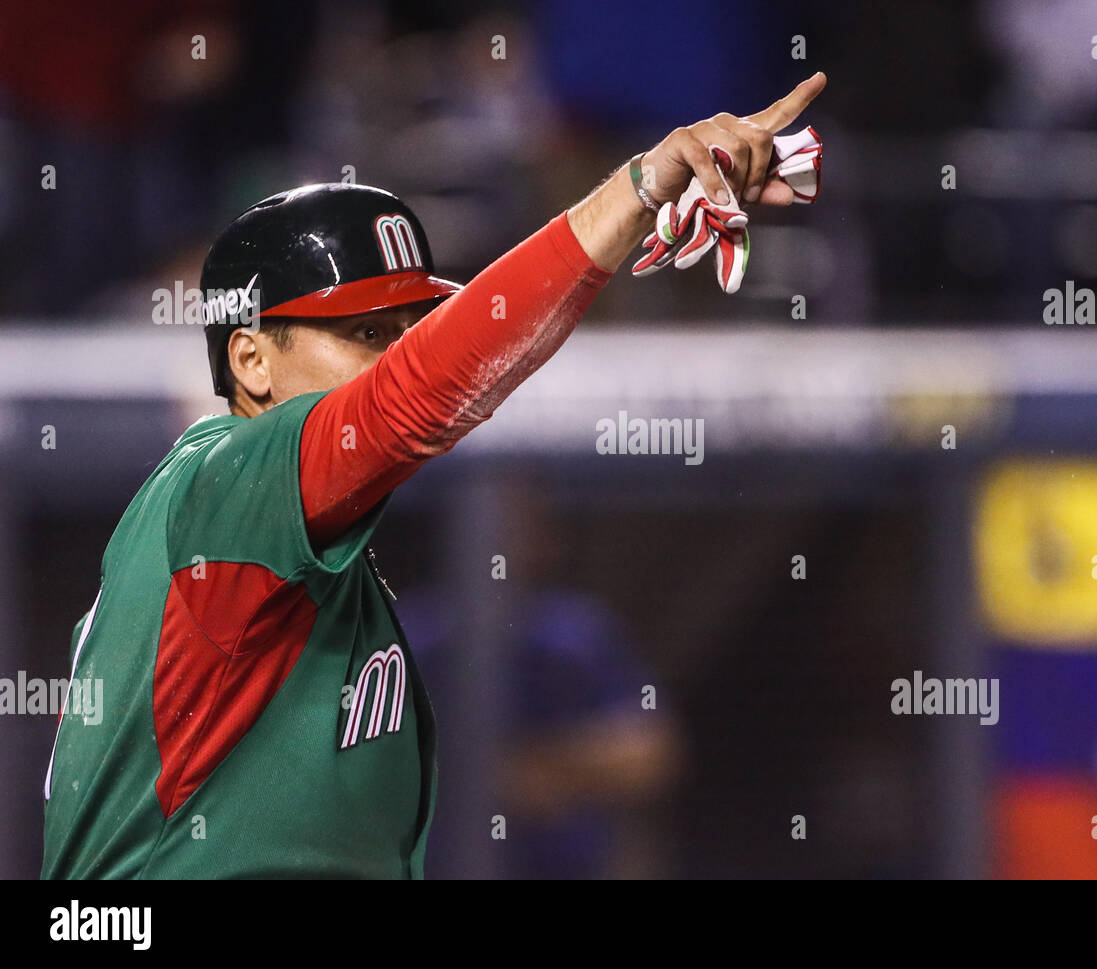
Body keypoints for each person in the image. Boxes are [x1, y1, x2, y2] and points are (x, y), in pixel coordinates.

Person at [40, 72, 827, 878]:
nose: (397, 353)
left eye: (411, 328)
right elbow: (420, 393)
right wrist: (633, 194)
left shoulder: (310, 560)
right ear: (250, 358)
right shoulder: (225, 482)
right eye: (368, 330)